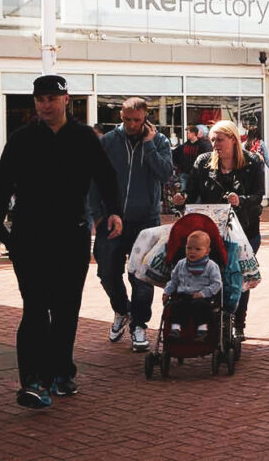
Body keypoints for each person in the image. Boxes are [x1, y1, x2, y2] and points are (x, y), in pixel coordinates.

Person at [0, 75, 123, 409]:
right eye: (40, 99)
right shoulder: (22, 139)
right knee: (34, 308)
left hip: (72, 234)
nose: (46, 105)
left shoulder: (83, 137)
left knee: (65, 309)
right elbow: (2, 186)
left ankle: (62, 371)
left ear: (66, 99)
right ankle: (34, 382)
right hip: (29, 235)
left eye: (52, 99)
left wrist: (114, 211)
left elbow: (106, 176)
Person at [89, 96, 173, 353]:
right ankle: (121, 309)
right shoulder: (108, 141)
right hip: (111, 219)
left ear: (146, 117)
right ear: (121, 117)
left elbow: (165, 173)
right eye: (127, 120)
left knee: (142, 276)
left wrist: (149, 145)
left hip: (145, 221)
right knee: (106, 272)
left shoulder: (159, 141)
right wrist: (97, 215)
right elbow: (93, 180)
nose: (132, 125)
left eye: (137, 120)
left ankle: (139, 325)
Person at [172, 120, 264, 340]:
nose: (215, 145)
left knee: (237, 276)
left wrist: (240, 200)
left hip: (245, 231)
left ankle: (238, 323)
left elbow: (258, 196)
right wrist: (182, 198)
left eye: (220, 140)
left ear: (233, 139)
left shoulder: (252, 162)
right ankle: (210, 319)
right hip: (211, 232)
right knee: (212, 273)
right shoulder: (204, 162)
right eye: (212, 140)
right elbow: (192, 191)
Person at [163, 229, 223, 341]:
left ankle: (202, 330)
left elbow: (216, 284)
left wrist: (203, 293)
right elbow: (174, 281)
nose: (192, 252)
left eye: (197, 249)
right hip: (183, 296)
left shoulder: (211, 266)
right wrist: (167, 292)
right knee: (175, 306)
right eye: (189, 248)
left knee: (201, 307)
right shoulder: (181, 264)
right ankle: (175, 329)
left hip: (202, 297)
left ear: (207, 251)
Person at [172, 125, 211, 194]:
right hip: (185, 174)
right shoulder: (185, 145)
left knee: (195, 194)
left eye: (188, 133)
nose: (186, 135)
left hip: (197, 176)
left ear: (193, 133)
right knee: (183, 194)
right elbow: (174, 154)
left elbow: (206, 159)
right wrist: (180, 167)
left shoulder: (202, 145)